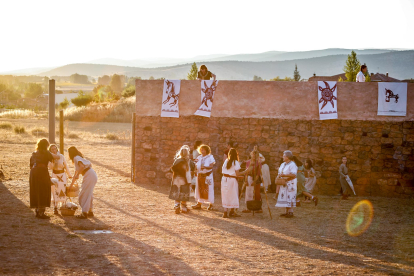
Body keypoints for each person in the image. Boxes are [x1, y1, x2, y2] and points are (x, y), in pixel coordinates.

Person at [29, 139, 60, 219]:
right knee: (43, 190)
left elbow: (30, 165)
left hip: (33, 172)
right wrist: (59, 154)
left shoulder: (34, 153)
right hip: (42, 171)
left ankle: (37, 210)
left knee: (35, 190)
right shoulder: (46, 152)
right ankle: (41, 213)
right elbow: (56, 157)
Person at [68, 146, 98, 219]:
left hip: (89, 174)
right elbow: (75, 174)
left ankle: (84, 213)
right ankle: (90, 211)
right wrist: (71, 186)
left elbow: (81, 167)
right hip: (91, 174)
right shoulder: (78, 158)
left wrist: (78, 174)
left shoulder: (76, 158)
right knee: (89, 194)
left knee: (84, 194)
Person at [221, 148, 251, 218]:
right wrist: (246, 171)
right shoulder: (235, 162)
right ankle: (231, 211)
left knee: (226, 195)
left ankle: (225, 212)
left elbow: (229, 172)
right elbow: (237, 174)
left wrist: (237, 176)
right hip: (231, 180)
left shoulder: (226, 161)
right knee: (233, 195)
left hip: (224, 179)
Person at [169, 145, 194, 214]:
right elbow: (191, 170)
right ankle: (183, 208)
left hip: (176, 179)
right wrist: (189, 182)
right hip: (185, 180)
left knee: (177, 192)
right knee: (184, 193)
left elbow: (172, 170)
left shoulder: (177, 160)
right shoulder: (189, 161)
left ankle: (177, 206)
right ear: (187, 153)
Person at [48, 144, 72, 214]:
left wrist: (69, 175)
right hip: (54, 175)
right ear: (50, 151)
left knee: (62, 190)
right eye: (52, 149)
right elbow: (50, 168)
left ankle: (63, 206)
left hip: (62, 175)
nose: (54, 150)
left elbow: (66, 166)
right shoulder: (49, 158)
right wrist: (52, 161)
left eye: (55, 149)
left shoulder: (61, 156)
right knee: (54, 191)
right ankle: (55, 207)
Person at [192, 145, 216, 210]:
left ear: (207, 150)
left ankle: (211, 204)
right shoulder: (199, 157)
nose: (203, 151)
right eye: (202, 150)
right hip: (200, 175)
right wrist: (195, 170)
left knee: (209, 189)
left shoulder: (210, 157)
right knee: (199, 189)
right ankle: (199, 204)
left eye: (204, 150)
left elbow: (211, 166)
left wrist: (205, 167)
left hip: (207, 176)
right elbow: (194, 164)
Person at [275, 150, 297, 218]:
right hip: (284, 183)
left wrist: (284, 175)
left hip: (290, 183)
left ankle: (290, 212)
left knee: (289, 196)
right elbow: (280, 172)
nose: (283, 157)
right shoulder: (283, 164)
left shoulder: (292, 164)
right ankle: (286, 212)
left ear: (288, 157)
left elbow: (294, 175)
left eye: (284, 156)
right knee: (285, 196)